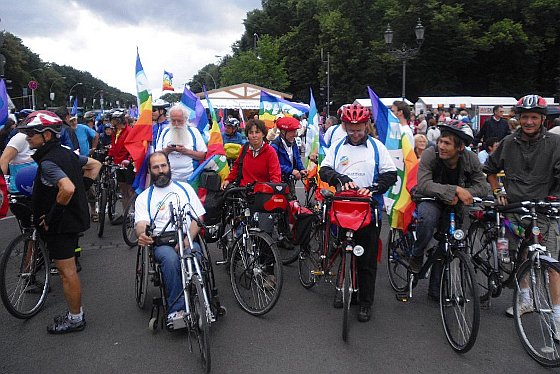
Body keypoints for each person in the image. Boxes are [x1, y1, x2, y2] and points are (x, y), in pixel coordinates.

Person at [17, 110, 101, 333]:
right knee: (69, 269)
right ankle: (76, 315)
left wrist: (52, 216)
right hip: (72, 220)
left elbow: (67, 188)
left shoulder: (49, 162)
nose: (27, 138)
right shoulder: (66, 153)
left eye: (31, 134)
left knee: (67, 272)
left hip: (62, 225)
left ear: (46, 135)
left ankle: (75, 318)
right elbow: (94, 165)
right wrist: (81, 192)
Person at [483, 95, 560, 321]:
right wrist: (498, 191)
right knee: (519, 257)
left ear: (542, 119)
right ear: (519, 118)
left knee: (553, 265)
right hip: (514, 208)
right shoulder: (508, 142)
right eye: (524, 117)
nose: (528, 122)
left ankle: (557, 317)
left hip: (543, 210)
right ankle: (525, 299)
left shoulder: (555, 143)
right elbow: (490, 169)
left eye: (534, 117)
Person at [319, 104, 397, 322]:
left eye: (359, 129)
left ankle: (365, 302)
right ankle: (342, 287)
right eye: (351, 129)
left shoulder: (377, 147)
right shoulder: (337, 146)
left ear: (366, 125)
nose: (355, 133)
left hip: (368, 210)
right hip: (343, 208)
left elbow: (391, 174)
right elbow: (324, 169)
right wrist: (338, 178)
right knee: (344, 249)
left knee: (367, 258)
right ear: (345, 126)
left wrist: (373, 188)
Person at [410, 120, 489, 301]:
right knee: (427, 219)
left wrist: (465, 192)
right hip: (431, 199)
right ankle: (417, 253)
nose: (441, 146)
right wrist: (454, 190)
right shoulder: (431, 154)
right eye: (440, 141)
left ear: (460, 148)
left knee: (448, 242)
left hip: (456, 204)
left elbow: (482, 186)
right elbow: (423, 184)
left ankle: (435, 290)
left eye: (447, 143)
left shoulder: (471, 159)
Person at [135, 151, 206, 329]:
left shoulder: (185, 189)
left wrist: (187, 241)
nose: (161, 170)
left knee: (195, 256)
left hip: (187, 236)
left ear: (169, 167)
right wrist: (142, 234)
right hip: (162, 242)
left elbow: (198, 218)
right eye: (156, 167)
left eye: (163, 166)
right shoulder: (145, 197)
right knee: (171, 260)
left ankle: (205, 303)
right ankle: (177, 310)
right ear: (150, 171)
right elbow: (141, 223)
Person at [221, 118, 281, 189]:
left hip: (263, 192)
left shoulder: (270, 152)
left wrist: (272, 189)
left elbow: (275, 176)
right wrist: (228, 180)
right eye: (251, 132)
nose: (254, 135)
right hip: (244, 190)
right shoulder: (244, 148)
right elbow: (237, 167)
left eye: (257, 132)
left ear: (263, 134)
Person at [155, 104, 207, 182]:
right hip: (168, 178)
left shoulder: (194, 132)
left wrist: (185, 151)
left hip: (191, 178)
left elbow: (203, 156)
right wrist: (168, 150)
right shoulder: (165, 131)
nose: (176, 124)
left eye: (179, 121)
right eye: (173, 121)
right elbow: (156, 156)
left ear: (185, 119)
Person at [107, 109, 134, 220]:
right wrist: (109, 156)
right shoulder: (115, 132)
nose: (111, 122)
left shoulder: (129, 131)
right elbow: (114, 146)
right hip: (118, 164)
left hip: (127, 164)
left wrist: (129, 159)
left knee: (130, 190)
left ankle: (134, 213)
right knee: (123, 190)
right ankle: (125, 214)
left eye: (113, 120)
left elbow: (132, 147)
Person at [270, 116, 307, 190]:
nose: (295, 134)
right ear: (283, 132)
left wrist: (301, 169)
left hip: (290, 181)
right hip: (278, 182)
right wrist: (290, 171)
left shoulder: (293, 142)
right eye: (292, 132)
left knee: (293, 201)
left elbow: (297, 157)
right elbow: (273, 165)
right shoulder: (274, 145)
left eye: (295, 131)